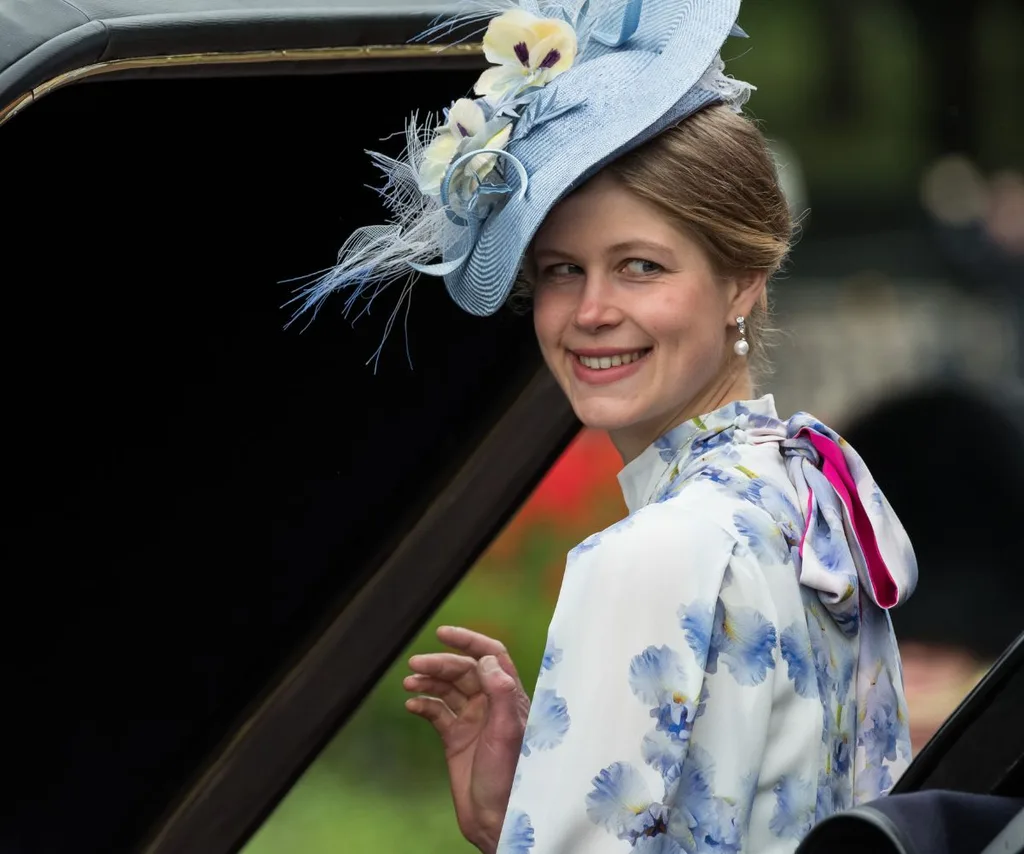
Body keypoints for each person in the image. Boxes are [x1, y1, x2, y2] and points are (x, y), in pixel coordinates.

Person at [289, 1, 919, 851]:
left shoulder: (649, 558)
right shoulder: (814, 487)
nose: (590, 311)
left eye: (639, 267)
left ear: (742, 280)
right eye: (561, 271)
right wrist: (517, 815)